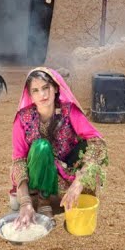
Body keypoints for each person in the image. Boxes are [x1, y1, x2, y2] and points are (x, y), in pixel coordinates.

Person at [9, 68, 109, 229]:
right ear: (30, 95)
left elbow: (98, 142)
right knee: (41, 147)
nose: (42, 95)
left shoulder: (69, 111)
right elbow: (19, 160)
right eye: (35, 90)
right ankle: (42, 202)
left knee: (88, 147)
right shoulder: (22, 119)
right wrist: (25, 203)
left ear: (55, 88)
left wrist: (79, 181)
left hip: (65, 172)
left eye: (46, 88)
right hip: (37, 174)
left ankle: (72, 195)